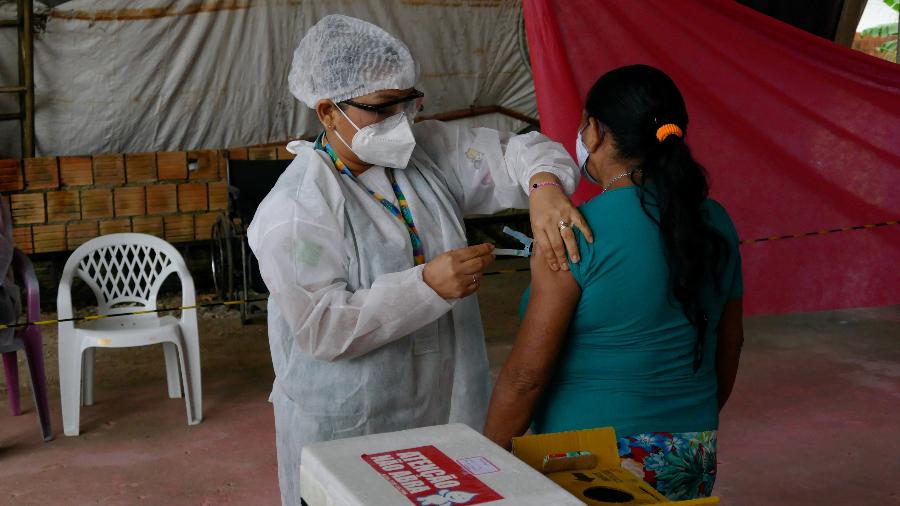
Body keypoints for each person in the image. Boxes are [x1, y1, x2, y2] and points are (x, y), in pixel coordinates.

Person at [247, 15, 592, 506]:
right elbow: (322, 327)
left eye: (409, 102)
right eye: (384, 108)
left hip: (440, 405)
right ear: (327, 111)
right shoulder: (296, 209)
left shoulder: (422, 156)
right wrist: (426, 286)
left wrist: (543, 184)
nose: (402, 121)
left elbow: (521, 151)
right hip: (348, 421)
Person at [483, 65, 744, 500]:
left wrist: (486, 460)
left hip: (588, 459)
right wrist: (682, 428)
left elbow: (527, 375)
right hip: (691, 450)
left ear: (597, 133)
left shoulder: (574, 229)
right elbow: (730, 341)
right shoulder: (715, 220)